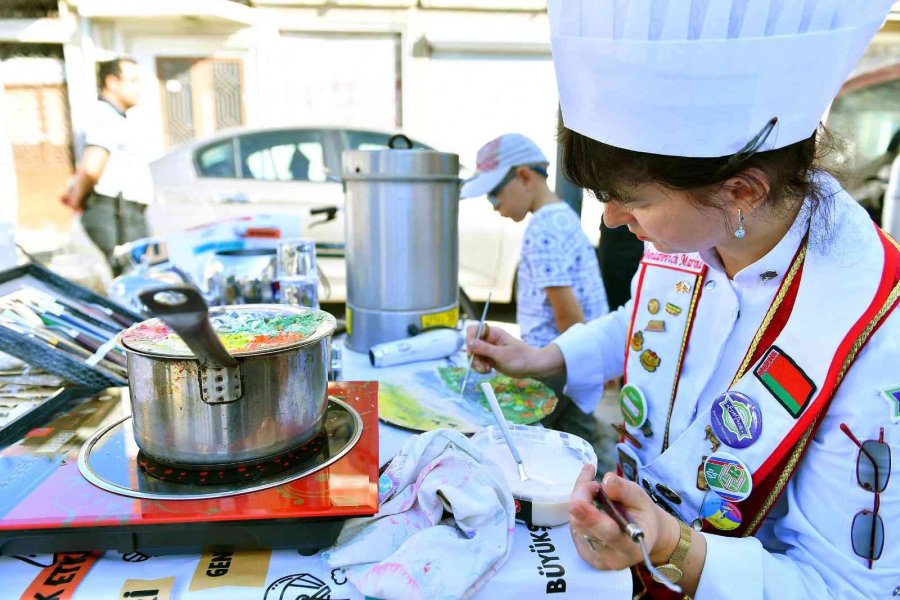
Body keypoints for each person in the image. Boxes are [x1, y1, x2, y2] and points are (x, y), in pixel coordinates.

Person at [467, 1, 899, 598]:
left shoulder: (876, 335)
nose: (613, 220)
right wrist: (548, 359)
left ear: (741, 191)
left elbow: (851, 588)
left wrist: (672, 548)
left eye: (631, 201)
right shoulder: (702, 227)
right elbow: (650, 322)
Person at [460, 133, 609, 444]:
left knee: (535, 442)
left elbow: (568, 314)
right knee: (579, 438)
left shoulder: (543, 227)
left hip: (553, 363)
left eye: (493, 195)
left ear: (524, 176)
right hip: (574, 360)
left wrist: (575, 363)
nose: (494, 206)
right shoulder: (561, 215)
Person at [60, 57, 152, 275]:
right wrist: (76, 199)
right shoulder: (103, 115)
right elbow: (92, 166)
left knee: (140, 276)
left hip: (124, 212)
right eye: (133, 81)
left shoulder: (113, 117)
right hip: (116, 214)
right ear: (112, 82)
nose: (139, 88)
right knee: (132, 279)